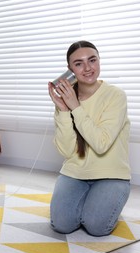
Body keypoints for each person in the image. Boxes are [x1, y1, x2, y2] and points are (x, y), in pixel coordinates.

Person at [47, 40, 131, 237]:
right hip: (75, 173)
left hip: (111, 174)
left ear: (99, 61)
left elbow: (101, 144)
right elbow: (67, 151)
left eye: (92, 60)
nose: (87, 68)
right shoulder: (67, 99)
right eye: (78, 63)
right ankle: (89, 202)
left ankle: (104, 202)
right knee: (61, 225)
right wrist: (63, 110)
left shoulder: (115, 96)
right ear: (70, 70)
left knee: (96, 227)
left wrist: (75, 107)